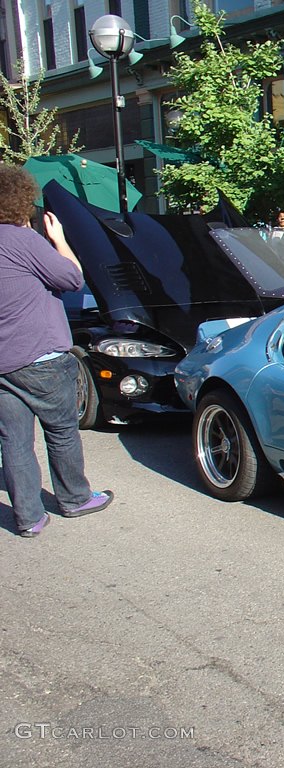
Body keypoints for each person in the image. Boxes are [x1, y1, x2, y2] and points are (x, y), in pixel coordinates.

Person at [0, 164, 113, 538]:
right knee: (61, 431)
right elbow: (71, 278)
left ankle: (28, 518)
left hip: (3, 363)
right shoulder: (22, 240)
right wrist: (58, 239)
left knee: (14, 441)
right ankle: (75, 498)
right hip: (41, 356)